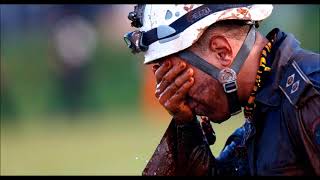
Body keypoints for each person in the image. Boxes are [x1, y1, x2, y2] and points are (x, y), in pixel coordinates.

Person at [123, 4, 320, 175]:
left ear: (222, 51)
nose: (179, 96)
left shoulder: (311, 94)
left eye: (179, 76)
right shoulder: (262, 108)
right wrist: (185, 125)